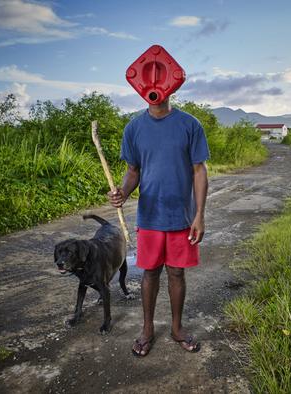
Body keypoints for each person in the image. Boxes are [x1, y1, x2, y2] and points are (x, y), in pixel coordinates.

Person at [108, 97, 209, 357]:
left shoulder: (190, 124)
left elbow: (199, 170)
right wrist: (123, 192)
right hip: (150, 216)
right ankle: (147, 330)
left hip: (182, 216)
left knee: (177, 273)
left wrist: (199, 214)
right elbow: (133, 171)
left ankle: (176, 328)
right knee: (150, 273)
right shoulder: (134, 128)